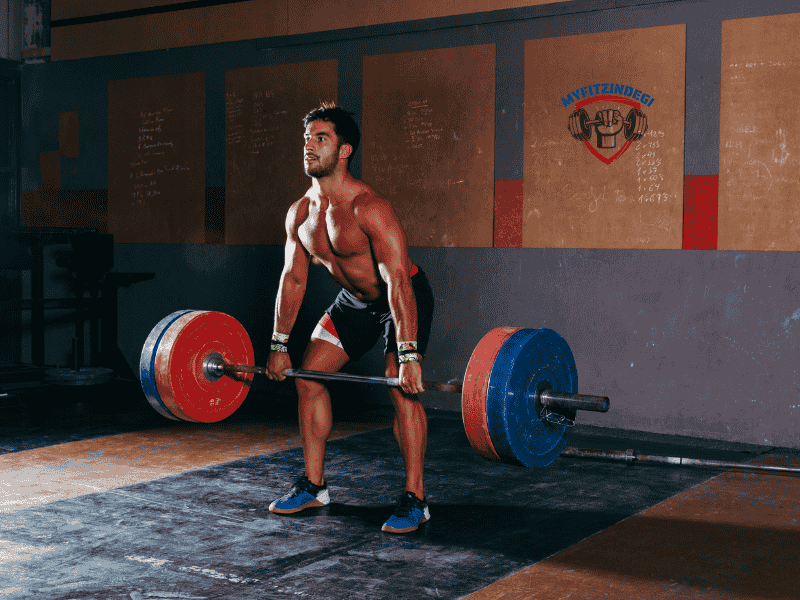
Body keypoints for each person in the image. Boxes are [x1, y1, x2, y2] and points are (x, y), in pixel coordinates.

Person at [265, 103, 435, 534]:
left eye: (320, 139)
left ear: (344, 151)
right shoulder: (300, 214)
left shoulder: (369, 207)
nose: (309, 146)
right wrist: (278, 345)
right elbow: (294, 280)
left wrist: (409, 353)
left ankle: (416, 498)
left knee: (401, 387)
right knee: (308, 376)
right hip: (355, 302)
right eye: (307, 138)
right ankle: (315, 485)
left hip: (401, 298)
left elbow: (398, 281)